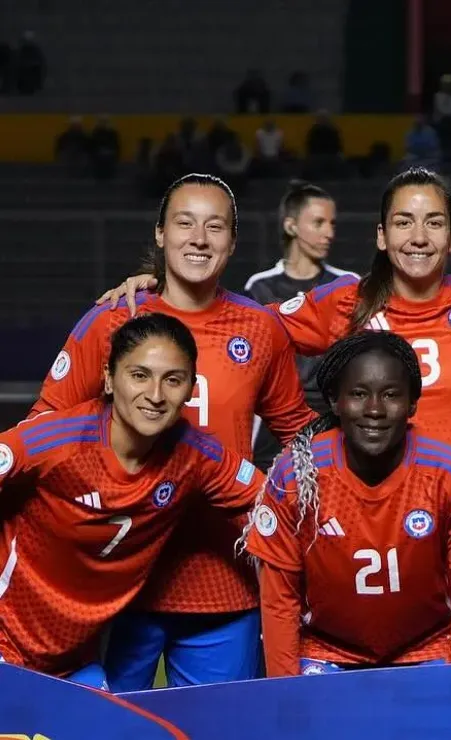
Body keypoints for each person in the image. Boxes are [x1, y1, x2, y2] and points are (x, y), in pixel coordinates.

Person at [38, 173, 313, 690]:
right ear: (161, 233)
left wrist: (284, 495)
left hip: (224, 584)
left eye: (215, 227)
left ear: (232, 242)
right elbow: (44, 429)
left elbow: (299, 433)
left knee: (214, 729)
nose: (199, 238)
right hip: (119, 580)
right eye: (184, 223)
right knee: (111, 728)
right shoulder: (113, 319)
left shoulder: (260, 328)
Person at [100, 168, 451, 495]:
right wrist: (159, 289)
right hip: (366, 516)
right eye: (404, 222)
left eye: (435, 223)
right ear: (382, 236)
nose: (419, 238)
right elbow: (235, 326)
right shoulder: (343, 302)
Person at [0, 314, 264, 687]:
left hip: (71, 662)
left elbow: (279, 503)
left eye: (172, 380)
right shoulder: (54, 442)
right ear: (109, 378)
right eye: (139, 375)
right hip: (5, 641)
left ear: (191, 388)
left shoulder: (197, 456)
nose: (155, 395)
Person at [242, 332, 451, 675]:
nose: (375, 409)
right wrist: (286, 691)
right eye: (359, 394)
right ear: (335, 401)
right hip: (325, 649)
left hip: (429, 646)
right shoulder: (296, 474)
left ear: (412, 403)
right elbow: (279, 600)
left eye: (392, 395)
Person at [243, 181, 357, 471]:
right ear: (291, 226)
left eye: (332, 223)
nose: (329, 233)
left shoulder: (347, 284)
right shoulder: (259, 287)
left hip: (333, 414)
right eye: (318, 223)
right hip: (274, 421)